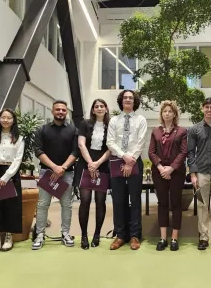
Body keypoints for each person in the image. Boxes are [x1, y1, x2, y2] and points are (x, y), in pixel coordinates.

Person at [32, 100, 78, 250]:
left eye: (63, 110)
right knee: (43, 205)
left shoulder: (73, 130)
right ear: (52, 112)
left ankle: (65, 233)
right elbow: (38, 150)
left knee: (67, 205)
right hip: (47, 173)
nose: (60, 112)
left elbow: (75, 152)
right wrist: (54, 168)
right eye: (57, 109)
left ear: (66, 112)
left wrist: (62, 168)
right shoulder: (42, 130)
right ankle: (39, 235)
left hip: (67, 173)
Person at [107, 90, 147, 251]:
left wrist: (131, 161)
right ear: (121, 101)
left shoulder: (141, 120)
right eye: (125, 98)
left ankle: (135, 236)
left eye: (131, 98)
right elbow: (110, 142)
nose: (128, 100)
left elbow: (141, 141)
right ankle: (120, 235)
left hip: (135, 162)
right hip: (117, 161)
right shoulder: (114, 120)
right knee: (118, 200)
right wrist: (124, 156)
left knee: (135, 200)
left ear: (134, 101)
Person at [187, 97, 211, 251]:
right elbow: (190, 153)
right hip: (201, 173)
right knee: (203, 206)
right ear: (202, 109)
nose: (209, 110)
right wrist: (193, 174)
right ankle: (203, 237)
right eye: (207, 107)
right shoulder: (194, 129)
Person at [148, 101, 188, 251]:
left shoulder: (182, 131)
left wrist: (171, 168)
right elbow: (151, 152)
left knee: (176, 203)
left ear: (174, 114)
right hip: (159, 172)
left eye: (170, 111)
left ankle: (174, 239)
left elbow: (183, 152)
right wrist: (160, 167)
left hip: (176, 172)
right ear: (161, 114)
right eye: (164, 111)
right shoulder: (155, 131)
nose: (167, 114)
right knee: (162, 203)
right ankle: (163, 238)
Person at [0, 108, 24, 253]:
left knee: (12, 206)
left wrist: (6, 177)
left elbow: (18, 159)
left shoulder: (19, 138)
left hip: (11, 174)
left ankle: (9, 237)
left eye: (9, 118)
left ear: (13, 120)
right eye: (3, 117)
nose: (6, 120)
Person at [74, 99, 111, 250]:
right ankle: (84, 235)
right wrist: (91, 163)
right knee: (85, 200)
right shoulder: (85, 124)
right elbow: (81, 144)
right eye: (96, 106)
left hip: (102, 165)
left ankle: (97, 234)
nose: (99, 108)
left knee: (100, 201)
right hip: (85, 164)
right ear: (93, 110)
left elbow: (111, 148)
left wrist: (97, 164)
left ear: (106, 109)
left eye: (102, 106)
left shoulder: (111, 126)